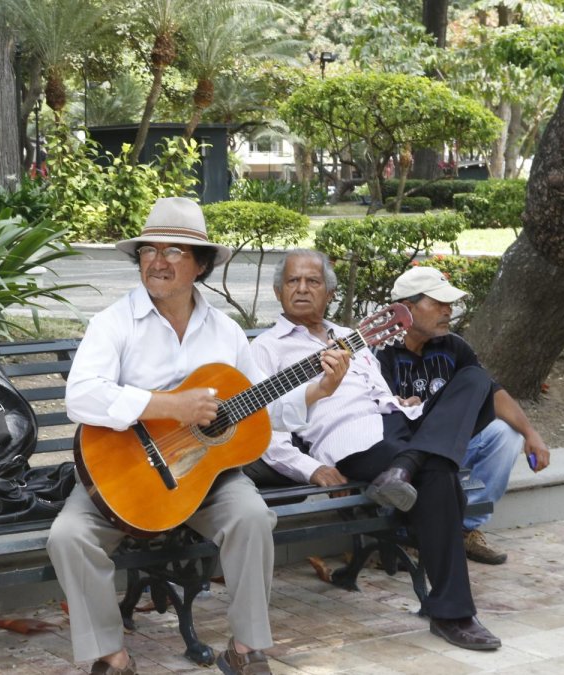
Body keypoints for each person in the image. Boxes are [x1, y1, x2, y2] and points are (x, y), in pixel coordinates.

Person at [48, 198, 349, 675]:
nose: (158, 261)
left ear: (201, 265)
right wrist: (169, 406)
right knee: (68, 536)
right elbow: (81, 397)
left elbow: (259, 407)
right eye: (149, 250)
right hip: (127, 475)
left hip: (207, 480)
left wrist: (319, 390)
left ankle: (245, 649)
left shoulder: (225, 331)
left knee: (252, 517)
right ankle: (112, 655)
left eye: (174, 251)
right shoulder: (113, 323)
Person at [251, 249, 503, 651]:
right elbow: (263, 425)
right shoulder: (265, 349)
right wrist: (309, 468)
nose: (302, 289)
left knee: (475, 379)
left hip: (396, 423)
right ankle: (451, 613)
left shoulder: (350, 336)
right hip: (350, 437)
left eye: (312, 281)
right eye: (292, 281)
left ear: (329, 292)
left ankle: (406, 465)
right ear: (278, 291)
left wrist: (400, 403)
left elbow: (379, 391)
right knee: (439, 475)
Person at [377, 267, 550, 565]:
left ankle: (464, 529)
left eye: (449, 304)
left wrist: (530, 433)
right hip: (401, 452)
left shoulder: (453, 346)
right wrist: (398, 405)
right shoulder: (379, 351)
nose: (448, 311)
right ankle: (406, 534)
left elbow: (492, 393)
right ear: (406, 307)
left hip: (446, 448)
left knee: (505, 435)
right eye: (438, 303)